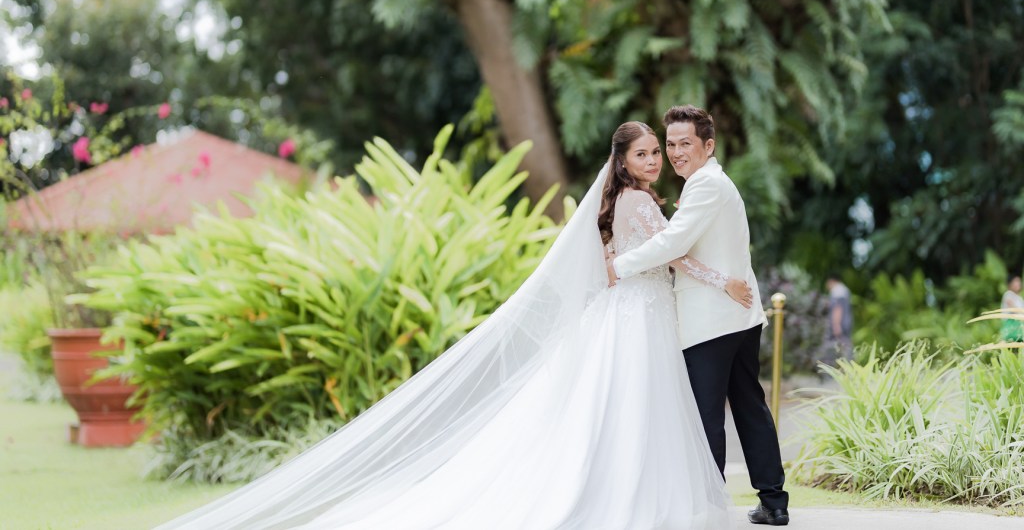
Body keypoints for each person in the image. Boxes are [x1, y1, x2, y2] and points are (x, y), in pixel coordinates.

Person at [156, 121, 749, 530]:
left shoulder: (615, 202)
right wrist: (722, 280)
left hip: (628, 312)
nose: (654, 161)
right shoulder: (640, 201)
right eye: (644, 154)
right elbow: (672, 253)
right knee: (639, 403)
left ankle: (625, 489)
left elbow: (618, 259)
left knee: (622, 404)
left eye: (657, 153)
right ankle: (639, 496)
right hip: (639, 314)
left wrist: (627, 267)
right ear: (621, 162)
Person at [609, 105, 790, 527]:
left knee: (705, 416)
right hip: (737, 317)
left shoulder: (706, 184)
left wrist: (619, 265)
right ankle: (773, 500)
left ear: (708, 145)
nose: (675, 153)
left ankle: (709, 508)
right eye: (670, 144)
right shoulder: (708, 183)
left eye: (684, 143)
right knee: (748, 406)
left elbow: (672, 243)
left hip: (712, 321)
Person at [824, 275, 853, 364]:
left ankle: (840, 368)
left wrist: (836, 325)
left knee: (838, 349)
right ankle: (848, 367)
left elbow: (838, 308)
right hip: (846, 325)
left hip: (839, 326)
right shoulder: (844, 290)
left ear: (831, 281)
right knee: (845, 347)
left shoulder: (837, 291)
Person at [1001, 274, 1024, 343]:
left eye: (1019, 281)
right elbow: (1014, 308)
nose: (1018, 283)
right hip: (1011, 325)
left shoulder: (1019, 298)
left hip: (1020, 325)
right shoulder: (1008, 294)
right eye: (1015, 282)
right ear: (1010, 284)